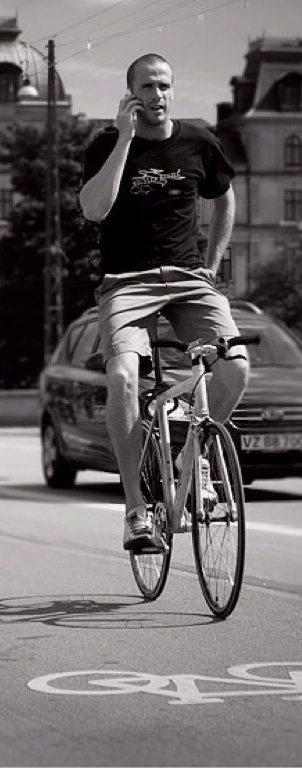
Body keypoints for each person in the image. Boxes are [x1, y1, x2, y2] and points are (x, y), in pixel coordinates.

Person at [79, 53, 248, 551]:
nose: (158, 95)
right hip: (125, 282)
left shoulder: (199, 141)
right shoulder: (107, 144)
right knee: (122, 377)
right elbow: (94, 209)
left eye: (165, 85)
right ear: (131, 93)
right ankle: (136, 511)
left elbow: (225, 196)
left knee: (236, 366)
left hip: (189, 278)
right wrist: (125, 139)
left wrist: (212, 262)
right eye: (148, 87)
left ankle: (189, 460)